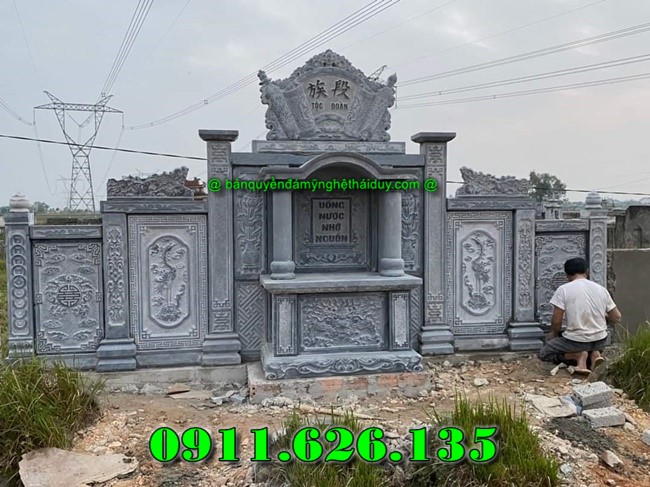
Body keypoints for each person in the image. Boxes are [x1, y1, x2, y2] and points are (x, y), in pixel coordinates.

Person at [538, 257, 621, 374]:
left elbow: (556, 321)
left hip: (576, 340)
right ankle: (595, 355)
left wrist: (554, 334)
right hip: (601, 340)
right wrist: (603, 318)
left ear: (566, 275)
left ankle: (578, 356)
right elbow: (617, 317)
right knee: (590, 345)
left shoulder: (563, 290)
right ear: (587, 271)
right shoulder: (601, 289)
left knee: (545, 353)